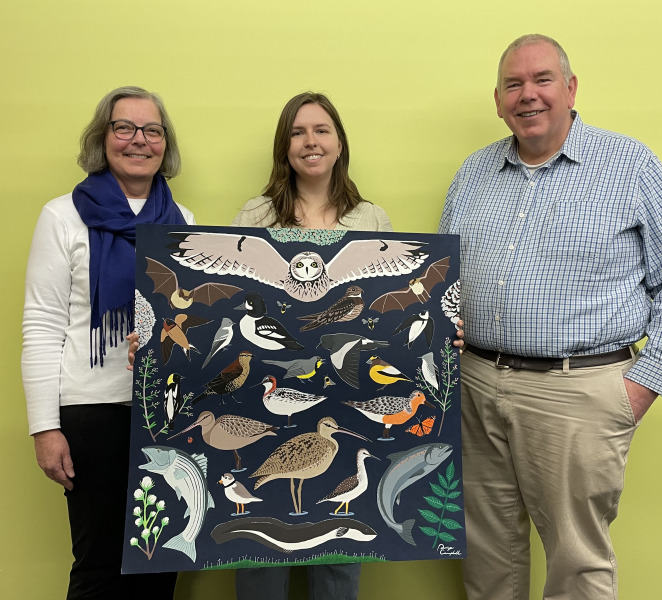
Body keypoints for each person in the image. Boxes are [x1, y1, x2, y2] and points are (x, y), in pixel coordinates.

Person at [439, 34, 662, 600]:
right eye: (513, 84)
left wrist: (638, 387)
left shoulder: (631, 166)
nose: (528, 95)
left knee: (577, 564)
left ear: (570, 87)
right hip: (475, 386)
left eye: (541, 80)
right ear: (497, 99)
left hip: (579, 390)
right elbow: (445, 276)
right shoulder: (474, 172)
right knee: (486, 556)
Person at [22, 86, 195, 599]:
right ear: (103, 138)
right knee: (98, 566)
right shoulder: (63, 217)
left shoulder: (181, 220)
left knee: (161, 563)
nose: (139, 140)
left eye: (153, 130)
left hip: (164, 414)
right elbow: (42, 324)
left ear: (166, 143)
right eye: (125, 128)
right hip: (90, 413)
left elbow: (190, 318)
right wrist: (44, 428)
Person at [229, 91, 390, 600]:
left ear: (339, 143)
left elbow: (389, 313)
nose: (310, 141)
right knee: (261, 554)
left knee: (339, 551)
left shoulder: (372, 221)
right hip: (267, 392)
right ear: (285, 147)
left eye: (321, 130)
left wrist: (437, 330)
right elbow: (234, 307)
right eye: (298, 132)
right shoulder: (254, 216)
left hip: (342, 395)